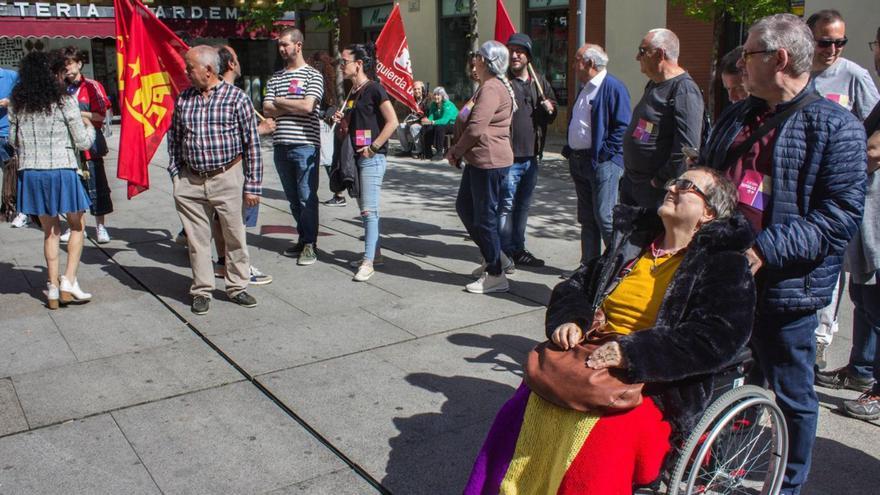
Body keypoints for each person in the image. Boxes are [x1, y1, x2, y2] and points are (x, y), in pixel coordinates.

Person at [464, 168, 755, 495]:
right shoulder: (634, 244)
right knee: (519, 413)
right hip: (589, 354)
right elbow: (575, 286)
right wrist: (572, 319)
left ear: (708, 213)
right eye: (674, 180)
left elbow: (718, 336)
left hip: (656, 381)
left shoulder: (723, 263)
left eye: (687, 186)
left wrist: (632, 353)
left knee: (597, 448)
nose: (673, 187)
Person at [700, 14, 866, 494]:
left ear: (779, 58)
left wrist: (763, 250)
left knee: (792, 393)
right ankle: (713, 466)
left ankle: (787, 483)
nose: (739, 61)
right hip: (721, 276)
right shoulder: (737, 113)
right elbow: (711, 176)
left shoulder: (836, 127)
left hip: (784, 287)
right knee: (715, 380)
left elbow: (839, 217)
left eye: (749, 52)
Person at [805, 9, 880, 369]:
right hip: (808, 191)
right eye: (825, 41)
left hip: (848, 194)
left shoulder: (854, 76)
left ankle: (827, 343)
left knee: (854, 278)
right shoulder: (800, 75)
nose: (833, 49)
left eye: (840, 42)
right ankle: (849, 360)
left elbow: (873, 136)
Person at [167, 45, 263, 315]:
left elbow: (252, 144)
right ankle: (202, 290)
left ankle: (237, 287)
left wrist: (252, 186)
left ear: (208, 70)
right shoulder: (184, 99)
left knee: (234, 236)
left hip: (227, 177)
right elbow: (173, 139)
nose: (186, 72)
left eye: (190, 68)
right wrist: (176, 175)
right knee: (197, 241)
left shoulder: (237, 98)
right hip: (191, 182)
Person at [9, 51, 95, 308]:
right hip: (62, 170)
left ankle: (53, 288)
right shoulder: (65, 102)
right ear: (54, 75)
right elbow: (82, 141)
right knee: (77, 226)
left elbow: (13, 142)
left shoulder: (17, 104)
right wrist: (91, 126)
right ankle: (69, 280)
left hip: (32, 172)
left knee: (50, 231)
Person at [447, 40, 515, 294]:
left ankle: (496, 273)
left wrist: (456, 150)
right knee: (465, 207)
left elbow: (476, 127)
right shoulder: (486, 87)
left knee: (484, 218)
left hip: (489, 161)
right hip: (479, 160)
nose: (473, 60)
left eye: (477, 56)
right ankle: (495, 256)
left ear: (485, 61)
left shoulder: (492, 89)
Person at [332, 43, 399, 282]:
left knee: (369, 210)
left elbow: (393, 122)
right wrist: (344, 122)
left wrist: (374, 147)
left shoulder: (375, 89)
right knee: (364, 210)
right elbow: (356, 124)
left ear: (358, 64)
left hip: (372, 157)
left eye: (344, 62)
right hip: (356, 157)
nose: (341, 66)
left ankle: (368, 261)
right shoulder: (353, 92)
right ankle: (376, 254)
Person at [208, 45, 273, 286]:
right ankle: (239, 268)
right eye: (236, 57)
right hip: (234, 172)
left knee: (220, 219)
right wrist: (261, 130)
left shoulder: (214, 93)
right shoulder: (235, 96)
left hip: (219, 174)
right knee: (236, 222)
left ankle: (224, 262)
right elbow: (232, 140)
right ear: (232, 64)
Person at [564, 43, 631, 272]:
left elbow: (622, 127)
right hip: (580, 161)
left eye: (577, 60)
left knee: (605, 216)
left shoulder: (612, 87)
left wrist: (605, 155)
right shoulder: (586, 87)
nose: (573, 65)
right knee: (587, 218)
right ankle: (589, 267)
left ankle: (618, 268)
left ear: (590, 63)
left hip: (603, 163)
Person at [622, 28, 704, 209]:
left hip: (655, 191)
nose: (637, 57)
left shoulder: (684, 89)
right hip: (634, 183)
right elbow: (647, 127)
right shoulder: (654, 85)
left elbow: (687, 148)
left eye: (642, 51)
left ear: (660, 54)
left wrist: (658, 180)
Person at [263, 28, 324, 265]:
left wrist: (279, 102)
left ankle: (310, 243)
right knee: (292, 197)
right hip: (281, 145)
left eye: (285, 45)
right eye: (279, 45)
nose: (281, 49)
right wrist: (289, 104)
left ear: (298, 45)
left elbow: (308, 107)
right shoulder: (276, 77)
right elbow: (267, 108)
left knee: (307, 196)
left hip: (305, 144)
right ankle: (303, 237)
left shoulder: (312, 75)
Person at [499, 33, 557, 268]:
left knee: (522, 207)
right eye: (511, 50)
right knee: (505, 206)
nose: (514, 55)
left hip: (531, 157)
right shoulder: (502, 83)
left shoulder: (540, 83)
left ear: (528, 57)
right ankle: (502, 253)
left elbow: (551, 115)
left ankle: (518, 249)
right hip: (508, 157)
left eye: (520, 51)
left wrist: (549, 108)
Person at [55, 47, 113, 244]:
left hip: (90, 144)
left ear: (79, 64)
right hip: (68, 147)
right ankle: (77, 227)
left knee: (97, 187)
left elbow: (100, 116)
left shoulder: (92, 86)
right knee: (74, 189)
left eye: (70, 64)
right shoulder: (60, 87)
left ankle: (100, 227)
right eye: (64, 66)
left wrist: (76, 114)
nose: (68, 69)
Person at [308, 51, 347, 208]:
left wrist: (325, 116)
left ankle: (338, 194)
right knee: (326, 160)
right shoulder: (328, 82)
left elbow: (327, 106)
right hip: (324, 124)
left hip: (321, 124)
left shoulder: (318, 82)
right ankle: (337, 193)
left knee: (326, 160)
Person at [1, 66, 21, 225]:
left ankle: (11, 207)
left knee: (11, 171)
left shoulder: (11, 76)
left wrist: (10, 101)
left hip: (6, 131)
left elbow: (24, 95)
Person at [418, 86, 458, 160]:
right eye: (435, 95)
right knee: (426, 127)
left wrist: (432, 122)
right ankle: (427, 152)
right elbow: (431, 116)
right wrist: (427, 121)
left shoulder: (448, 104)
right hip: (439, 123)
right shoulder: (433, 104)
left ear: (442, 96)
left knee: (440, 127)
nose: (436, 97)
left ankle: (439, 153)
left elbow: (445, 120)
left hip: (453, 124)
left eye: (438, 95)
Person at [394, 80, 429, 158]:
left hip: (422, 124)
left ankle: (419, 150)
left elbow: (428, 115)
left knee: (414, 127)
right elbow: (407, 114)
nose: (417, 91)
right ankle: (406, 150)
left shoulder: (427, 99)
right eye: (415, 89)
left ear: (422, 89)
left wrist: (418, 119)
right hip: (411, 123)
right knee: (400, 126)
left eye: (418, 89)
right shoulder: (411, 101)